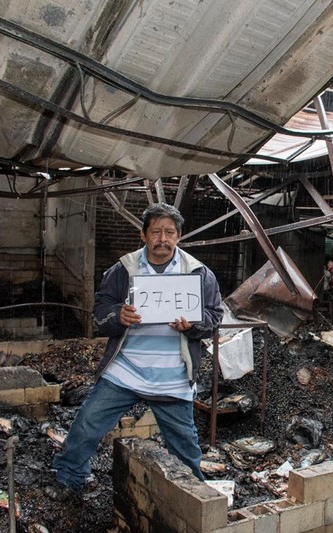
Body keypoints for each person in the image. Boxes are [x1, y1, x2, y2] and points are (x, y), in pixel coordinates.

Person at [46, 203, 223, 501]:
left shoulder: (198, 273)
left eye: (169, 232)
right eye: (156, 231)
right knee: (87, 423)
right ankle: (70, 477)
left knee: (185, 445)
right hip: (125, 371)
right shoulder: (123, 269)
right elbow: (100, 310)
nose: (162, 239)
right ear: (143, 235)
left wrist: (192, 325)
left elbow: (214, 317)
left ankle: (193, 497)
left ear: (179, 236)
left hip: (172, 378)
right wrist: (118, 315)